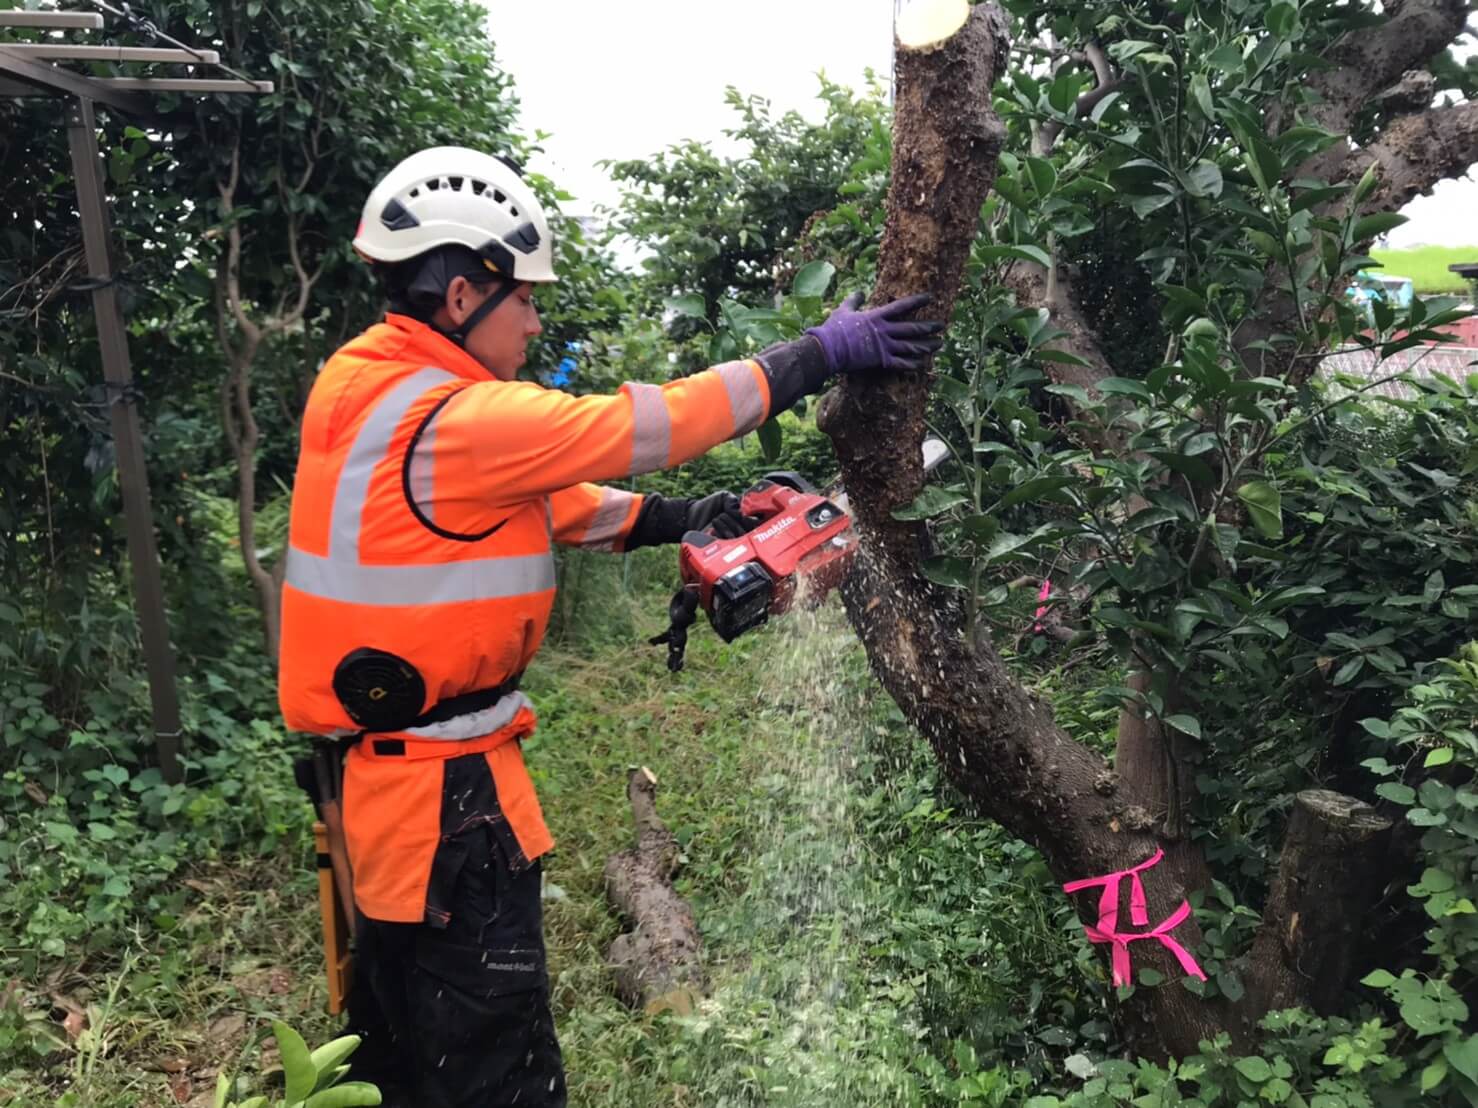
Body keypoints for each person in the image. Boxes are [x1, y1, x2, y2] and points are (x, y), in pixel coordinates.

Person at [276, 145, 943, 1107]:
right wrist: (816, 355)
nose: (537, 321)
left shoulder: (365, 388)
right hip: (442, 807)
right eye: (527, 300)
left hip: (372, 789)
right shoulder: (457, 414)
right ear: (463, 295)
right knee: (491, 1070)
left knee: (393, 1060)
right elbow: (655, 424)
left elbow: (528, 504)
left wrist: (687, 518)